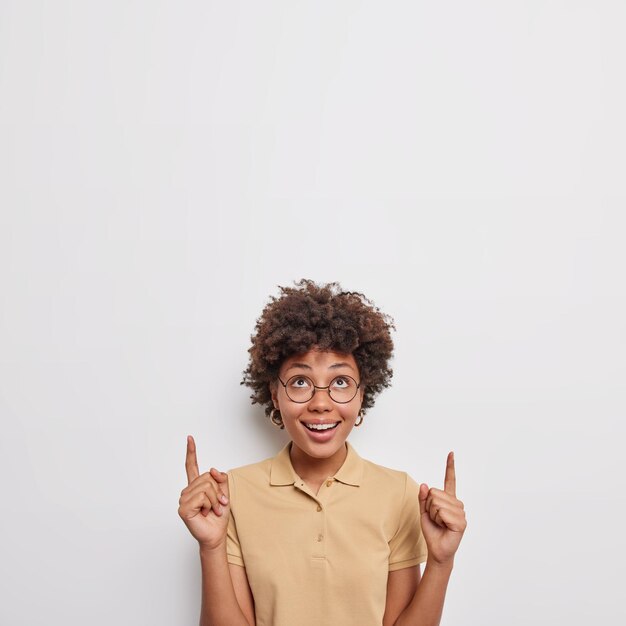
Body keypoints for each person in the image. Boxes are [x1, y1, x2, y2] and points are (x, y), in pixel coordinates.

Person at [178, 280, 467, 626]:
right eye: (300, 381)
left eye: (340, 382)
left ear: (363, 393)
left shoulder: (399, 493)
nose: (320, 403)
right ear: (275, 394)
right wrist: (210, 548)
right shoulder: (232, 493)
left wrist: (441, 562)